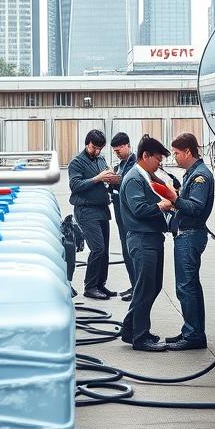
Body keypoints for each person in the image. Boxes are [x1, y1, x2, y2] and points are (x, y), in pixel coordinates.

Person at [119, 135, 174, 352]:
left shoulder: (144, 176)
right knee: (144, 287)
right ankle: (140, 337)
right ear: (145, 156)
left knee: (153, 285)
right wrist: (163, 206)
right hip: (142, 239)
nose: (160, 163)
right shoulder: (134, 178)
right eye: (158, 159)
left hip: (151, 237)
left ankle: (131, 328)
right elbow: (138, 209)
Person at [164, 132, 215, 351]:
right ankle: (191, 331)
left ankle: (194, 335)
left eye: (177, 153)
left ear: (188, 151)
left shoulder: (200, 176)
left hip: (190, 235)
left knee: (186, 287)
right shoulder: (192, 173)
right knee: (189, 286)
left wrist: (174, 199)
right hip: (187, 233)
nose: (174, 157)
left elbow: (195, 207)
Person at [68, 128, 117, 301]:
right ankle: (90, 286)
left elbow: (104, 178)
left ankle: (100, 284)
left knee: (105, 251)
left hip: (102, 208)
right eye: (93, 147)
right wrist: (97, 178)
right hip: (86, 210)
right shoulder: (76, 163)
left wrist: (110, 178)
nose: (96, 151)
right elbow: (75, 185)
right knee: (98, 248)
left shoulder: (101, 159)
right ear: (87, 143)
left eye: (99, 148)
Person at [109, 132, 137, 301]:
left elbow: (129, 182)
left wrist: (116, 180)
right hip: (120, 216)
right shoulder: (120, 165)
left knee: (133, 253)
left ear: (127, 145)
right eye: (115, 150)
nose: (117, 152)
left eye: (119, 149)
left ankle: (137, 289)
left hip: (130, 216)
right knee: (126, 252)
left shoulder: (134, 164)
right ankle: (133, 284)